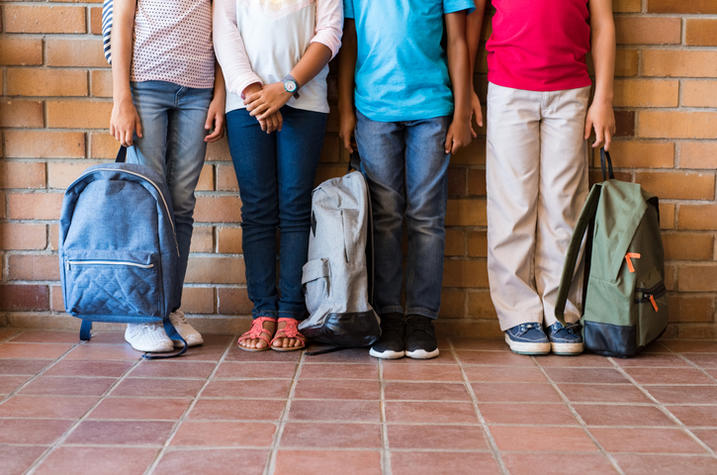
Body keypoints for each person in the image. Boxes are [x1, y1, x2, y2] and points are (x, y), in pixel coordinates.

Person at [468, 0, 616, 355]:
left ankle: (561, 309)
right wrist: (466, 89)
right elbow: (473, 15)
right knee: (512, 204)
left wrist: (603, 99)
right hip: (509, 89)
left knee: (564, 205)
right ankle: (519, 312)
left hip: (570, 92)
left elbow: (603, 22)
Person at [338, 0, 474, 360]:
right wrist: (346, 112)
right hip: (373, 111)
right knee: (384, 219)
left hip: (432, 111)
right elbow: (348, 42)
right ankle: (389, 316)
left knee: (427, 218)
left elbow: (458, 41)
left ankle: (421, 317)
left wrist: (461, 114)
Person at [213, 0, 342, 351]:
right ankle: (263, 311)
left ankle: (290, 312)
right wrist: (254, 91)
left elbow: (330, 34)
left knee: (296, 209)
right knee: (257, 210)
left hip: (305, 101)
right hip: (245, 103)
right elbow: (225, 33)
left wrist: (284, 88)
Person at [110, 0, 226, 353]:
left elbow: (223, 26)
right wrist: (121, 98)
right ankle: (142, 316)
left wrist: (220, 94)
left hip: (198, 92)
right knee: (147, 205)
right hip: (146, 86)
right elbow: (122, 21)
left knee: (181, 206)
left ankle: (169, 308)